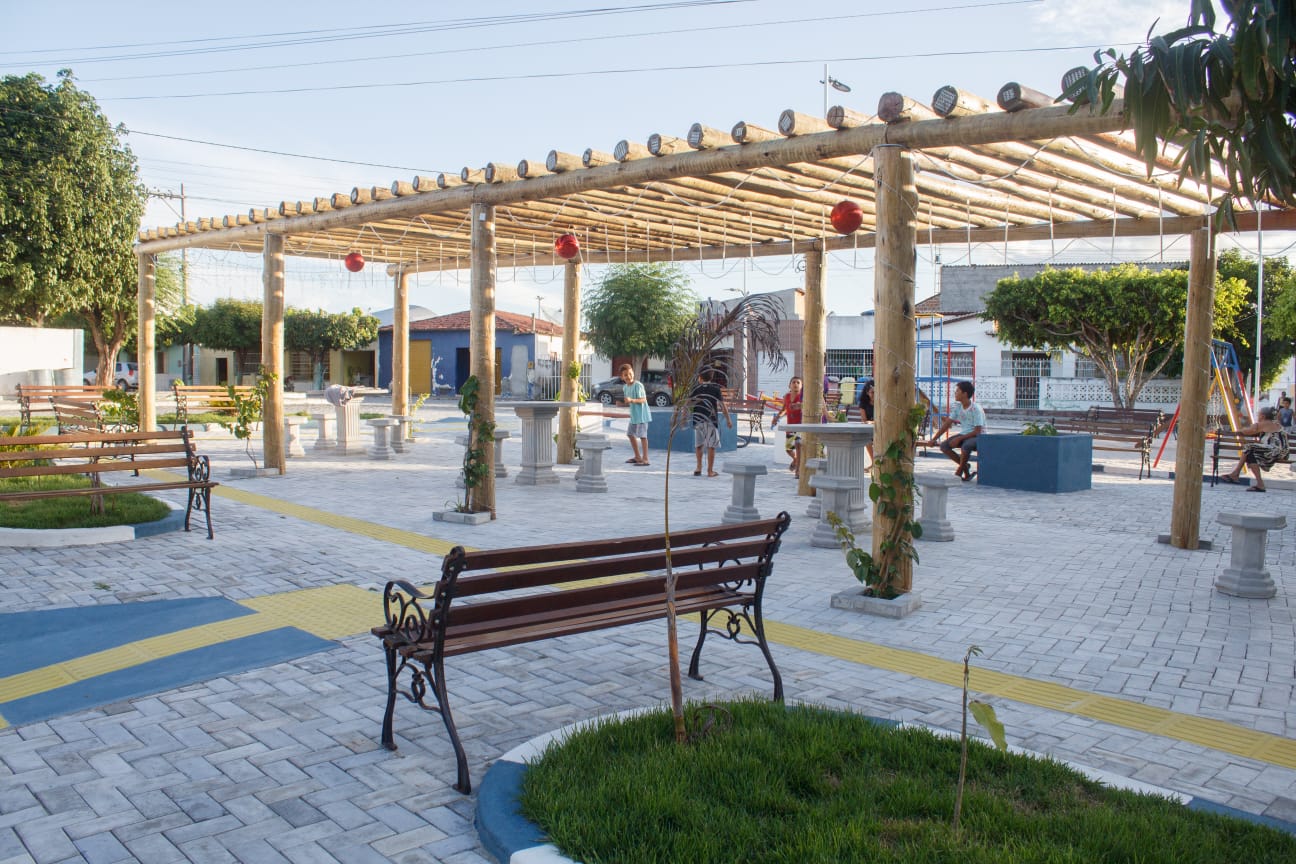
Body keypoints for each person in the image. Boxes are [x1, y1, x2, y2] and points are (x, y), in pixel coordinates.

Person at [920, 380, 984, 481]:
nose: (955, 393)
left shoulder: (976, 409)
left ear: (965, 394)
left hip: (978, 436)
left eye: (957, 391)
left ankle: (960, 470)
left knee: (966, 446)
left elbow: (978, 431)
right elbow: (947, 424)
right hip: (965, 434)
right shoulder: (958, 407)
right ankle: (965, 467)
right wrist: (934, 439)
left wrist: (959, 439)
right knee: (944, 446)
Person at [1221, 406, 1289, 492]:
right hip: (1282, 452)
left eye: (1258, 414)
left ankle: (1235, 474)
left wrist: (1252, 426)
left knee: (1248, 447)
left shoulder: (1265, 423)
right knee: (1250, 455)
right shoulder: (1276, 423)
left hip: (1274, 450)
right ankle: (1259, 484)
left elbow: (1246, 431)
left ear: (1263, 416)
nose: (1257, 416)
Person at [690, 369, 732, 477]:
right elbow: (722, 405)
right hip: (710, 420)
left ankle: (698, 468)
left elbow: (688, 403)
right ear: (711, 377)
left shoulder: (696, 388)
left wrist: (684, 416)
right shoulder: (715, 389)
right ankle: (710, 471)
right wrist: (728, 419)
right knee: (711, 446)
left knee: (699, 445)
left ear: (700, 377)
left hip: (698, 420)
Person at [618, 364, 651, 466]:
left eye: (630, 373)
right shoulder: (625, 388)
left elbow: (643, 400)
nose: (629, 376)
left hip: (642, 416)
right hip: (634, 416)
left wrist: (631, 400)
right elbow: (629, 402)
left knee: (643, 436)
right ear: (622, 377)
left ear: (633, 373)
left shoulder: (638, 385)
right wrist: (622, 404)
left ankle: (645, 459)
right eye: (625, 375)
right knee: (630, 434)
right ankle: (637, 457)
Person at [770, 376, 804, 474]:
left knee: (798, 445)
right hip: (790, 426)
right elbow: (783, 409)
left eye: (798, 382)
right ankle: (795, 459)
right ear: (789, 385)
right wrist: (776, 417)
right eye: (793, 382)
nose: (796, 384)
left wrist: (800, 405)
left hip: (800, 426)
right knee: (788, 449)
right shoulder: (787, 396)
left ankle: (798, 470)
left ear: (802, 386)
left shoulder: (802, 397)